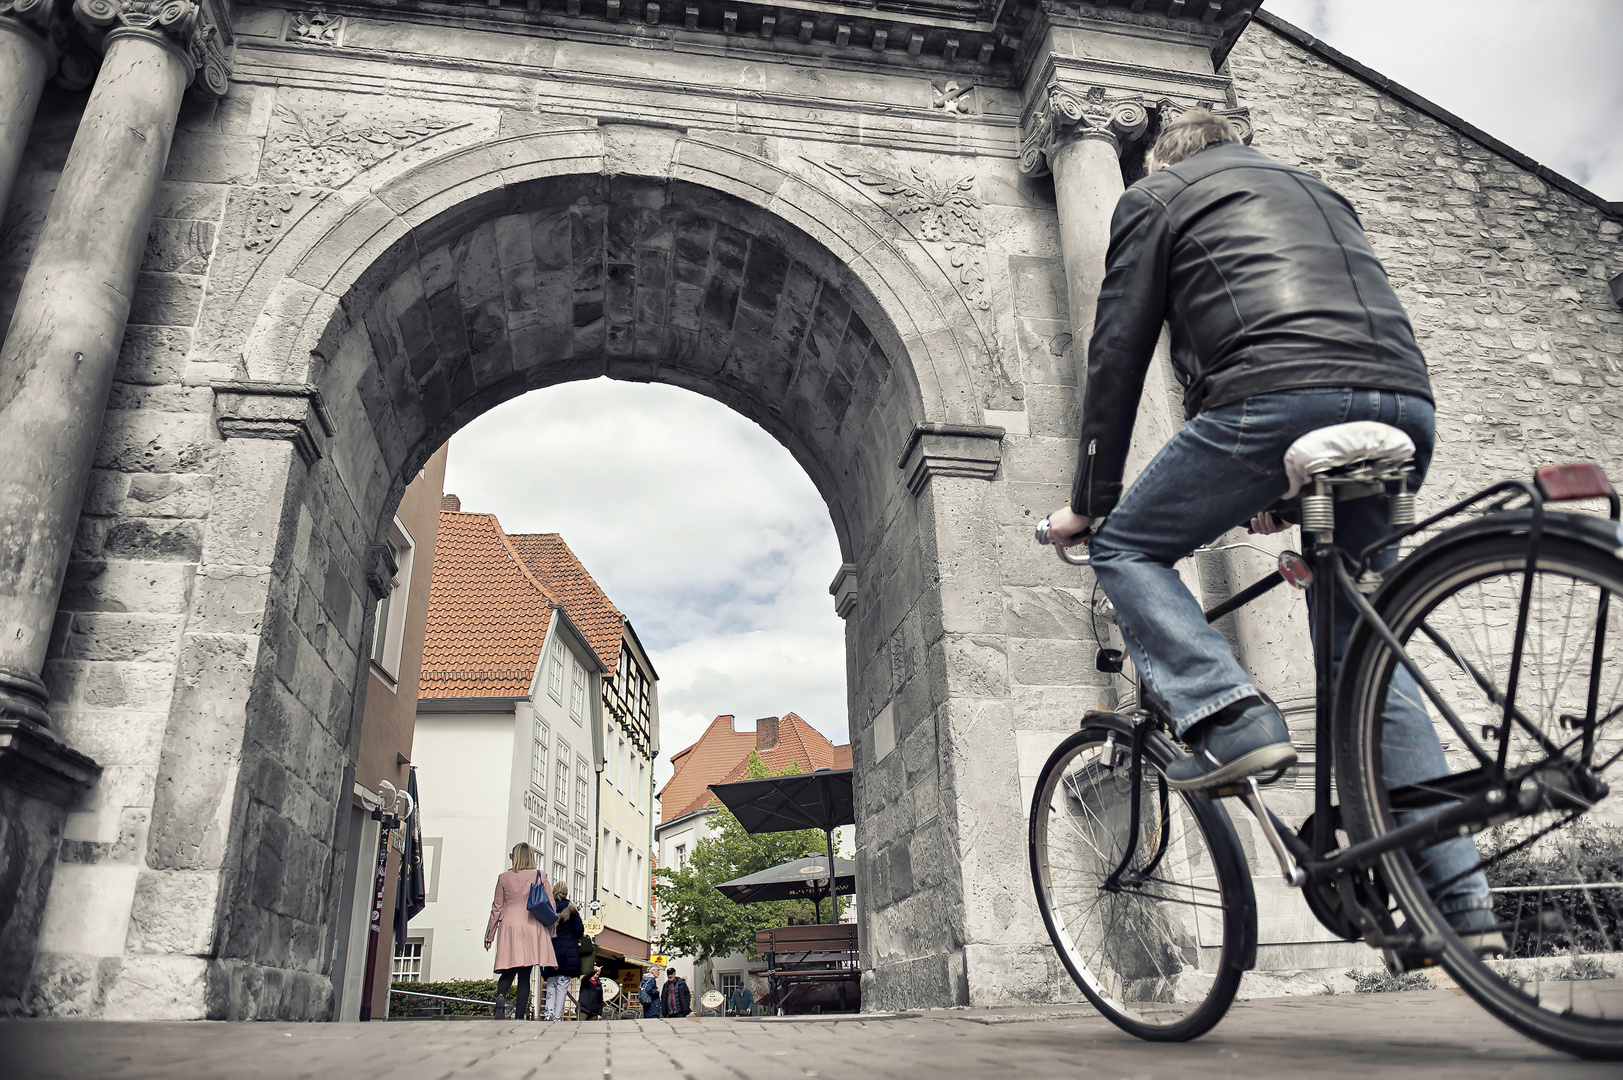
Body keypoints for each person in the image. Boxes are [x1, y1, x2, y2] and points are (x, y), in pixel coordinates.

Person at [1042, 107, 1498, 950]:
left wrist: (1089, 498)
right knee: (1364, 650)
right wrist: (1282, 487)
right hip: (1402, 405)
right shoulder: (1317, 191)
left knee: (1126, 545)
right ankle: (1461, 908)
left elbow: (1117, 351)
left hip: (1275, 398)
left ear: (1159, 157)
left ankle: (1230, 718)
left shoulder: (1155, 195)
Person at [484, 842, 558, 1019]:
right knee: (525, 975)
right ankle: (519, 1015)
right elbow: (551, 905)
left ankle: (501, 997)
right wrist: (551, 930)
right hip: (532, 925)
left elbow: (496, 908)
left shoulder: (504, 878)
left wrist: (489, 934)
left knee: (508, 969)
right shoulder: (540, 875)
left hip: (510, 925)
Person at [542, 882, 583, 1021]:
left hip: (551, 949)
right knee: (562, 983)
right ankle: (557, 1016)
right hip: (568, 952)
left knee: (551, 982)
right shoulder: (572, 910)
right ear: (566, 893)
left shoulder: (548, 908)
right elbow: (579, 930)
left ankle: (548, 1012)